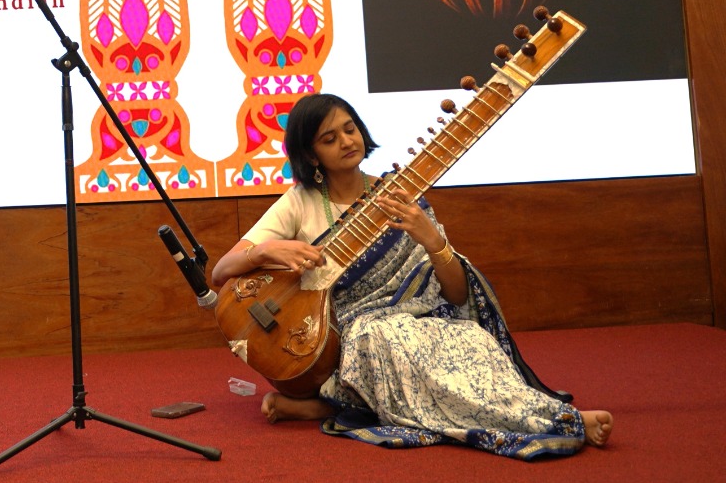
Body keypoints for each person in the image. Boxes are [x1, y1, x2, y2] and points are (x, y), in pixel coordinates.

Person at [208, 92, 612, 458]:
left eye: (350, 129)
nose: (347, 141)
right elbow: (220, 273)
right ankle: (544, 424)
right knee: (386, 336)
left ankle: (546, 413)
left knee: (469, 336)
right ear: (311, 156)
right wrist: (265, 250)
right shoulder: (299, 203)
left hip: (417, 320)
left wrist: (432, 239)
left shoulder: (400, 197)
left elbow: (455, 296)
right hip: (351, 333)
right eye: (329, 139)